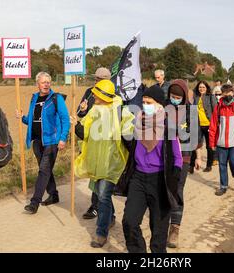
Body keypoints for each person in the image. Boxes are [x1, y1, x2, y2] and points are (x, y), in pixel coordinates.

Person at [117, 85, 182, 253]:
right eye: (143, 102)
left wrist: (174, 175)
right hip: (138, 178)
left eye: (149, 102)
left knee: (159, 231)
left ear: (159, 105)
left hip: (159, 180)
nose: (145, 105)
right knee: (129, 222)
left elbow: (177, 156)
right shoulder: (138, 122)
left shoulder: (168, 126)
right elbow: (131, 146)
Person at [73, 79, 135, 248]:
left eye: (96, 93)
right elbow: (85, 133)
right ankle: (111, 217)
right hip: (97, 162)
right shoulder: (95, 110)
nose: (93, 95)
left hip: (112, 163)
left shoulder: (122, 112)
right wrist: (77, 124)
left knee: (103, 195)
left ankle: (101, 233)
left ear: (102, 95)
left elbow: (130, 137)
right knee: (102, 195)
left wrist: (136, 161)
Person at [16, 72, 70, 214]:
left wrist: (63, 138)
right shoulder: (34, 98)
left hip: (52, 141)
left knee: (43, 170)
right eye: (43, 82)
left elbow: (65, 119)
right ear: (37, 84)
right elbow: (32, 120)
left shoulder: (56, 98)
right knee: (45, 170)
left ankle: (34, 203)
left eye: (48, 82)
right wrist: (22, 118)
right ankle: (53, 194)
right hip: (37, 141)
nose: (46, 84)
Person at [166, 80, 201, 248]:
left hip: (184, 157)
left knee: (177, 190)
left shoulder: (191, 113)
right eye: (172, 96)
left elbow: (197, 137)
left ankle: (175, 227)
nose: (175, 99)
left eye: (178, 97)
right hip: (165, 157)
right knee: (163, 188)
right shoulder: (163, 110)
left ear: (184, 97)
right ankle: (163, 219)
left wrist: (199, 157)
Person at [77, 67, 112, 220]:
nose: (96, 81)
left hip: (105, 140)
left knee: (100, 178)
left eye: (100, 79)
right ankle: (98, 207)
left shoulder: (113, 95)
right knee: (94, 175)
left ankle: (99, 208)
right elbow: (81, 112)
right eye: (96, 79)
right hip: (90, 138)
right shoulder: (89, 92)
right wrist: (83, 110)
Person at [189, 81, 217, 173]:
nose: (201, 89)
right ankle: (192, 165)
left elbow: (215, 111)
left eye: (203, 87)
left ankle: (209, 165)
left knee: (209, 146)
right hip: (197, 124)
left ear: (207, 88)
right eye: (200, 87)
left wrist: (215, 124)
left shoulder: (211, 97)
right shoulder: (195, 97)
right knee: (195, 145)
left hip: (208, 125)